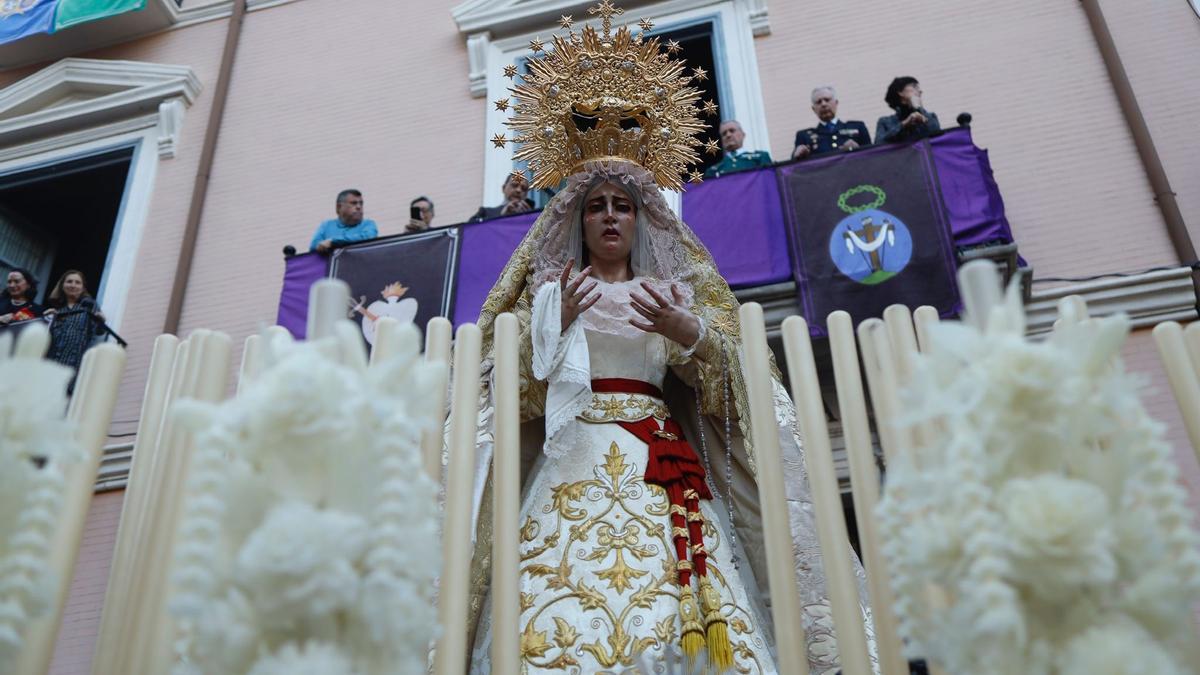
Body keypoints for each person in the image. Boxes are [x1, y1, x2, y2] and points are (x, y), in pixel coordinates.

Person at [464, 8, 871, 671]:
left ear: (643, 215)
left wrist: (693, 335)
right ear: (576, 217)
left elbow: (735, 392)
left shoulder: (676, 294)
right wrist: (553, 327)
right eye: (595, 205)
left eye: (621, 205)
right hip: (575, 454)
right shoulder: (548, 295)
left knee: (686, 621)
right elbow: (509, 401)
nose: (609, 217)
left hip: (663, 466)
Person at [43, 270, 106, 392]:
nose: (73, 285)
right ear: (62, 285)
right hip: (52, 359)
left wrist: (101, 321)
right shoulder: (57, 309)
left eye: (77, 282)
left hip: (75, 361)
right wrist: (46, 319)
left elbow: (99, 331)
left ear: (83, 288)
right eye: (69, 282)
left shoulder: (88, 306)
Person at [792, 86, 872, 159]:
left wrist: (859, 149)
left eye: (827, 100)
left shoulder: (858, 127)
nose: (823, 104)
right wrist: (797, 155)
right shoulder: (804, 136)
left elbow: (872, 156)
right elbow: (793, 168)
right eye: (819, 102)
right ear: (814, 109)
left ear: (836, 103)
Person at [875, 76, 941, 144]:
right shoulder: (885, 122)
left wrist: (919, 108)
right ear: (900, 92)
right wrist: (904, 124)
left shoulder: (931, 116)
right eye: (914, 86)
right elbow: (878, 146)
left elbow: (938, 137)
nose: (920, 91)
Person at [309, 189, 378, 253]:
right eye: (353, 203)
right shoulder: (326, 225)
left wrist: (333, 242)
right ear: (339, 207)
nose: (359, 207)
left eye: (361, 203)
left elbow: (368, 238)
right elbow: (314, 246)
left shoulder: (368, 224)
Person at [704, 120, 773, 177]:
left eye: (732, 131)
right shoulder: (713, 170)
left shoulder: (760, 157)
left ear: (743, 135)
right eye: (724, 134)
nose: (728, 135)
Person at [468, 173, 534, 223]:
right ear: (503, 188)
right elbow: (470, 231)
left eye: (524, 189)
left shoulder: (534, 217)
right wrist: (501, 217)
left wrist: (529, 217)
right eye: (514, 185)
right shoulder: (485, 212)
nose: (519, 190)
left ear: (526, 195)